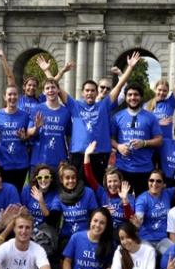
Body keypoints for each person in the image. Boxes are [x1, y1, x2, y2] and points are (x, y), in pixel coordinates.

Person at [42, 52, 140, 184]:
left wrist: (130, 68)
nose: (89, 93)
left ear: (96, 92)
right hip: (79, 154)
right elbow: (55, 88)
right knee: (78, 187)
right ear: (83, 93)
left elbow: (119, 85)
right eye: (87, 90)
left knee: (98, 187)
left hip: (99, 155)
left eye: (92, 90)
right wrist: (47, 71)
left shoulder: (104, 105)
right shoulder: (75, 105)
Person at [111, 83, 163, 196]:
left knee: (143, 204)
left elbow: (159, 140)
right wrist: (118, 146)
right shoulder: (117, 117)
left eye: (136, 95)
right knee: (124, 203)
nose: (133, 98)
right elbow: (109, 138)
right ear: (125, 97)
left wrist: (144, 143)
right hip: (123, 168)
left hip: (144, 169)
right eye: (129, 95)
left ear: (141, 97)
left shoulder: (151, 117)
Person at [136, 166, 175, 255]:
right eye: (151, 180)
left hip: (163, 239)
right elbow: (139, 217)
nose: (154, 183)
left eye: (158, 181)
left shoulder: (167, 193)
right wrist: (138, 221)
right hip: (145, 239)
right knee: (150, 255)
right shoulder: (142, 199)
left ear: (164, 184)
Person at [84, 141, 135, 230]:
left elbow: (130, 219)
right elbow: (89, 177)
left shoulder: (129, 197)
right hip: (105, 233)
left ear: (120, 182)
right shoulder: (102, 193)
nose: (112, 184)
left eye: (115, 181)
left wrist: (125, 201)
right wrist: (87, 155)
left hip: (122, 235)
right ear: (106, 183)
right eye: (110, 181)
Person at [0, 83, 30, 191]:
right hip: (3, 163)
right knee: (4, 193)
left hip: (21, 164)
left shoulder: (25, 116)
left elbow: (28, 137)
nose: (12, 97)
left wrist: (24, 137)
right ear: (4, 97)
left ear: (18, 96)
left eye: (15, 94)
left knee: (17, 195)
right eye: (10, 94)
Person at [26, 79, 71, 170]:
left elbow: (69, 135)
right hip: (39, 161)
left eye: (53, 87)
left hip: (59, 162)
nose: (50, 90)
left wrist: (70, 154)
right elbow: (29, 131)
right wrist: (36, 128)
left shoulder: (66, 112)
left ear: (58, 90)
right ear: (44, 91)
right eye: (47, 88)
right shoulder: (37, 109)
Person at [19, 165, 62, 259]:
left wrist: (41, 201)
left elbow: (52, 221)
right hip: (28, 228)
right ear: (36, 178)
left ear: (51, 179)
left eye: (46, 177)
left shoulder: (56, 194)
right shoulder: (28, 190)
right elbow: (21, 212)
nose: (43, 180)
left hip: (45, 233)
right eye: (40, 177)